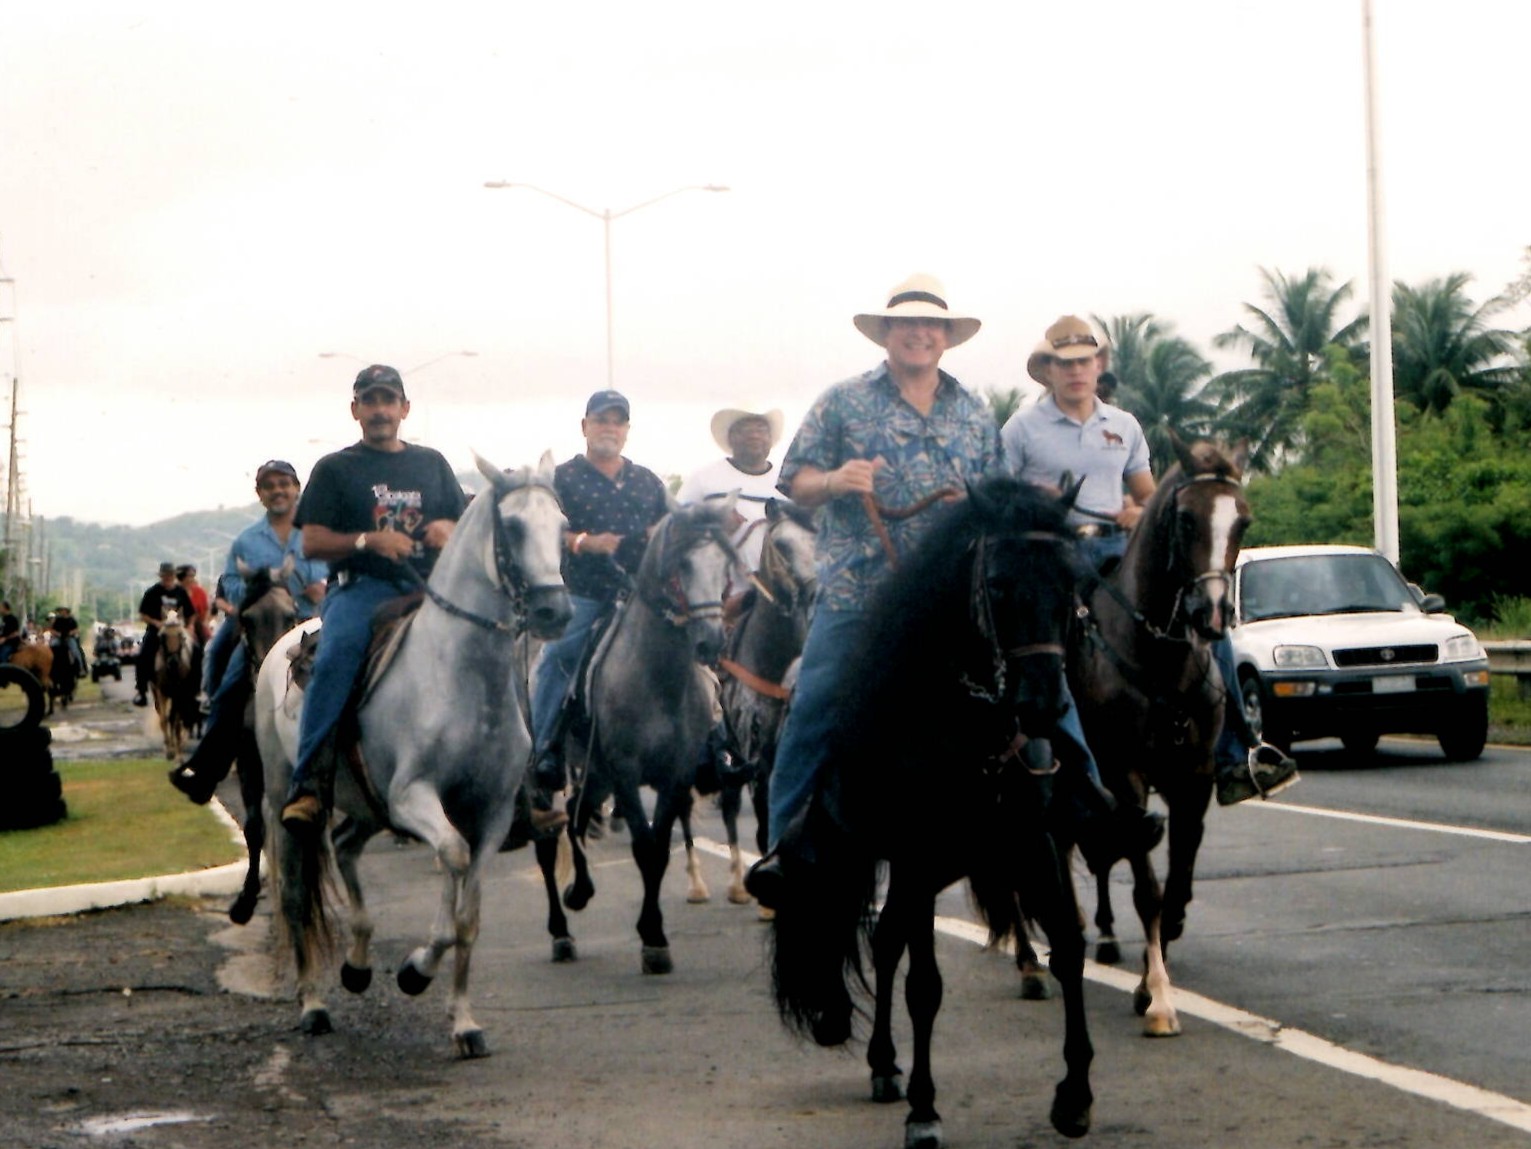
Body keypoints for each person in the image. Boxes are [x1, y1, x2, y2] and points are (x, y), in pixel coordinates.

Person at [745, 275, 1159, 909]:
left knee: (1045, 678)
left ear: (945, 337)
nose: (919, 333)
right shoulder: (842, 402)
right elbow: (795, 481)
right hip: (863, 589)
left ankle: (1092, 806)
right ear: (887, 334)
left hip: (956, 597)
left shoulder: (971, 410)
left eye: (931, 325)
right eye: (907, 324)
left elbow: (997, 497)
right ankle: (788, 850)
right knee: (817, 701)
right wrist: (834, 481)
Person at [1001, 315, 1297, 806]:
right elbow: (1001, 501)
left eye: (1084, 362)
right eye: (1065, 364)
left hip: (1119, 548)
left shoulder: (1123, 426)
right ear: (1048, 370)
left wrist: (1137, 512)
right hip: (1056, 556)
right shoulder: (1022, 429)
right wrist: (1038, 503)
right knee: (1041, 642)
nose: (1076, 371)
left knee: (1207, 624)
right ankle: (1040, 753)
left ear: (1098, 367)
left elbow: (1149, 496)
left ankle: (1236, 754)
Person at [278, 364, 466, 834]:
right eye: (370, 401)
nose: (380, 410)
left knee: (495, 648)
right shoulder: (335, 469)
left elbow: (462, 524)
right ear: (355, 410)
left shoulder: (433, 464)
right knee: (336, 657)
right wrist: (368, 540)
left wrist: (451, 529)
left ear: (405, 408)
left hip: (431, 589)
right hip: (363, 590)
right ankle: (309, 783)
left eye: (388, 401)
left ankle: (524, 781)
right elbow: (312, 543)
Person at [527, 390, 669, 804]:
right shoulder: (562, 479)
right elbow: (539, 528)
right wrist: (581, 541)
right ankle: (543, 749)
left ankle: (714, 743)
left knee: (695, 650)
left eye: (617, 421)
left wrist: (662, 533)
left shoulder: (648, 481)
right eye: (601, 420)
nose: (609, 428)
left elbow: (673, 528)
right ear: (584, 426)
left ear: (627, 430)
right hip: (585, 592)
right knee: (557, 658)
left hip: (642, 596)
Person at [170, 458, 328, 803]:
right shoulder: (245, 541)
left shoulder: (319, 532)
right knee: (225, 675)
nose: (277, 491)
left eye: (283, 484)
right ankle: (206, 768)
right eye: (269, 486)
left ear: (296, 488)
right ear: (259, 494)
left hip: (311, 627)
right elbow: (229, 583)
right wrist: (259, 589)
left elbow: (339, 573)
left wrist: (324, 587)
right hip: (263, 630)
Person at [675, 407, 788, 575]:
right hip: (716, 586)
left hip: (779, 586)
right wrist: (716, 527)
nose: (755, 436)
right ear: (731, 438)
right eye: (745, 430)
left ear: (770, 439)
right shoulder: (703, 479)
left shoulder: (788, 484)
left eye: (761, 430)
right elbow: (676, 530)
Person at [133, 562, 199, 706]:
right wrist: (156, 622)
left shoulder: (181, 592)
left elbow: (191, 613)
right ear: (161, 576)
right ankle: (141, 691)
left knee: (197, 651)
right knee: (143, 655)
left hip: (178, 630)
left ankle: (196, 689)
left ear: (174, 576)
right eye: (165, 575)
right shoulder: (153, 592)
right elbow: (143, 614)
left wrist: (190, 626)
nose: (168, 578)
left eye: (170, 575)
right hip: (158, 630)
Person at [47, 606, 88, 679]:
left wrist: (70, 633)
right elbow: (52, 630)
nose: (62, 612)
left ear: (66, 612)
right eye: (61, 611)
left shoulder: (71, 620)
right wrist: (58, 634)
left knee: (75, 651)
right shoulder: (58, 620)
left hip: (69, 638)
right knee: (51, 646)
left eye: (63, 611)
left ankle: (81, 668)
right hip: (59, 638)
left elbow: (76, 630)